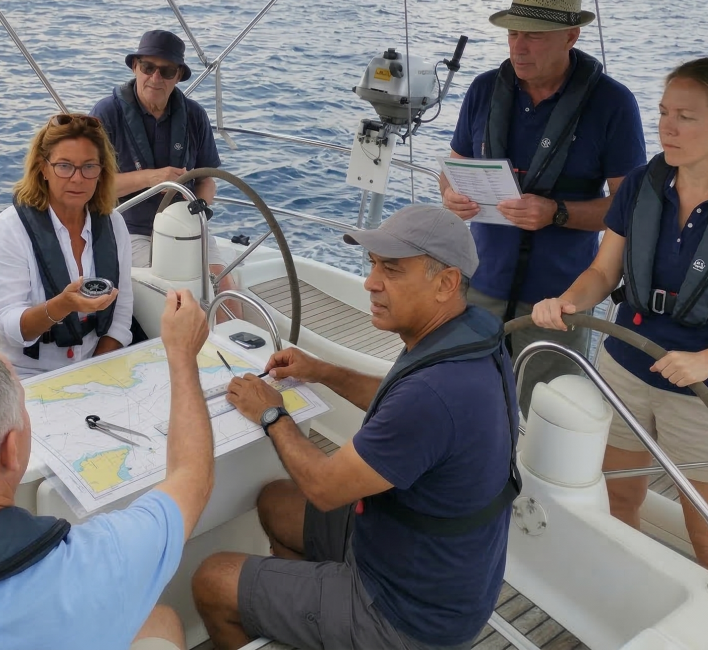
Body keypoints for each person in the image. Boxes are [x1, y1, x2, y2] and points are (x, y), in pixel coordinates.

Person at [192, 205, 518, 650]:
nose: (370, 282)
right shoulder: (471, 338)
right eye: (373, 264)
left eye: (392, 269)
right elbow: (397, 400)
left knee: (213, 580)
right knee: (275, 501)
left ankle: (334, 618)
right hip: (432, 567)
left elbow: (325, 488)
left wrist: (271, 413)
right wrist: (323, 371)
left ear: (446, 283)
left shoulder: (433, 393)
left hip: (406, 614)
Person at [531, 57, 708, 576]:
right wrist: (566, 301)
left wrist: (707, 362)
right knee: (618, 500)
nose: (667, 127)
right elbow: (603, 272)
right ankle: (625, 593)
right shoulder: (641, 185)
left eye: (686, 116)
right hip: (624, 369)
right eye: (663, 113)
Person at [0, 289, 215, 650]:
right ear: (9, 450)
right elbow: (192, 478)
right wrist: (182, 356)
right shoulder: (98, 561)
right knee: (163, 620)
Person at [440, 0, 646, 413]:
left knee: (541, 416)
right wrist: (451, 195)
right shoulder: (483, 89)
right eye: (513, 33)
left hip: (559, 300)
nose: (519, 47)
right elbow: (452, 169)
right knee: (462, 402)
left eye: (534, 35)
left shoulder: (612, 104)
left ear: (571, 36)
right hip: (478, 284)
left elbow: (632, 209)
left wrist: (557, 213)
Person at [0, 112, 133, 378]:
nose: (77, 178)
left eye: (89, 167)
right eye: (64, 166)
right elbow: (6, 324)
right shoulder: (9, 229)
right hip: (22, 372)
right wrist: (62, 305)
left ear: (101, 172)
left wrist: (96, 372)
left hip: (94, 362)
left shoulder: (115, 225)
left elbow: (120, 314)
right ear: (43, 168)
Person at [90, 29, 223, 269]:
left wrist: (199, 211)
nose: (156, 77)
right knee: (174, 280)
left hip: (185, 226)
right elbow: (93, 186)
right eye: (148, 67)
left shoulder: (195, 115)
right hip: (127, 230)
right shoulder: (106, 114)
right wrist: (154, 178)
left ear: (178, 75)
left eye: (167, 71)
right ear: (135, 67)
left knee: (223, 280)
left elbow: (206, 180)